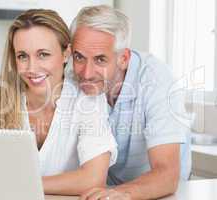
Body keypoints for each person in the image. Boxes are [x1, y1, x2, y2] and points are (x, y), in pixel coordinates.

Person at [0, 9, 117, 196]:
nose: (32, 68)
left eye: (43, 54)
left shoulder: (87, 100)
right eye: (22, 56)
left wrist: (20, 184)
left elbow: (93, 179)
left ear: (66, 54)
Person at [69, 5, 191, 200]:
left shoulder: (156, 80)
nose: (86, 73)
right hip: (106, 190)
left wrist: (117, 194)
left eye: (100, 60)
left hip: (162, 193)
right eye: (79, 57)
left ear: (123, 59)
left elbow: (167, 175)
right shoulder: (70, 78)